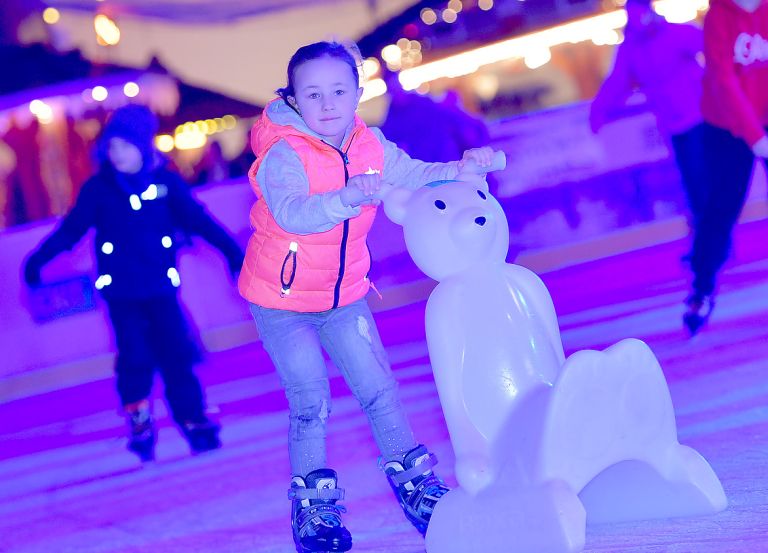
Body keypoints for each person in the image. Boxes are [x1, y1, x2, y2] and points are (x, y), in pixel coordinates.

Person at [238, 41, 496, 552]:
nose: (328, 104)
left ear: (358, 92)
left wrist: (464, 168)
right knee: (310, 399)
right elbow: (292, 213)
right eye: (313, 94)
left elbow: (418, 174)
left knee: (379, 389)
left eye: (338, 91)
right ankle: (314, 510)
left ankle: (419, 489)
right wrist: (346, 198)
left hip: (345, 295)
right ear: (293, 98)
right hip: (280, 300)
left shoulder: (371, 145)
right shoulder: (283, 154)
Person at [22, 104, 244, 461]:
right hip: (122, 294)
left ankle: (194, 419)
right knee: (135, 356)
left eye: (125, 146)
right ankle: (139, 417)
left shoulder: (165, 182)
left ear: (142, 146)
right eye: (112, 148)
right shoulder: (99, 189)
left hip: (161, 289)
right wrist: (37, 260)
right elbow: (71, 230)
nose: (118, 154)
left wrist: (234, 253)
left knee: (177, 355)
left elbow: (200, 222)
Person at [683, 0, 768, 335]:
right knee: (722, 206)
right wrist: (753, 134)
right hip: (727, 125)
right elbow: (723, 79)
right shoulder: (719, 16)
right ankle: (702, 289)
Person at [589, 0, 708, 238]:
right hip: (672, 126)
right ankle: (705, 236)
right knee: (690, 182)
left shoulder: (673, 32)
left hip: (700, 119)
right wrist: (599, 111)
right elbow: (618, 82)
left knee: (702, 178)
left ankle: (711, 235)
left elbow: (711, 48)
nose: (638, 17)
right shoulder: (632, 48)